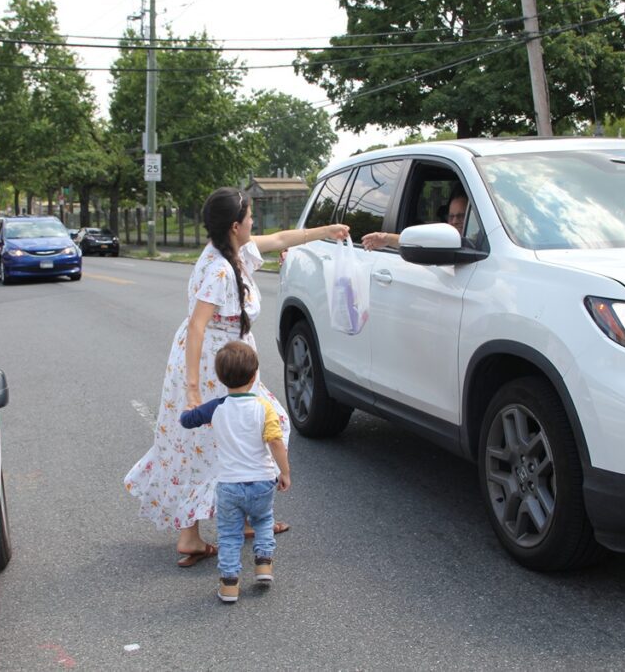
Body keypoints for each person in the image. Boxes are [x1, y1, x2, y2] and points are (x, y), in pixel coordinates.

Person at [123, 186, 349, 567]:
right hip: (214, 367)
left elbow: (279, 239)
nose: (253, 222)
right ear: (234, 226)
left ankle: (226, 522)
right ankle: (196, 534)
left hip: (225, 363)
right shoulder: (218, 270)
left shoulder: (233, 252)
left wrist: (326, 231)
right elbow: (197, 327)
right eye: (248, 218)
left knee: (215, 441)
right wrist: (194, 390)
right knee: (237, 434)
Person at [179, 340, 291, 603]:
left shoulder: (216, 407)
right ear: (254, 378)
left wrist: (188, 408)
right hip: (262, 481)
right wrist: (284, 473)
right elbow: (275, 442)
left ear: (220, 378)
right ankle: (263, 565)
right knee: (263, 521)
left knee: (229, 533)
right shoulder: (264, 407)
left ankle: (229, 584)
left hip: (229, 485)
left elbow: (187, 421)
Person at [362, 190, 468, 250]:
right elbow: (422, 242)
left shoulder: (479, 244)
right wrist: (386, 238)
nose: (454, 221)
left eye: (461, 216)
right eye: (451, 216)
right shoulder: (445, 238)